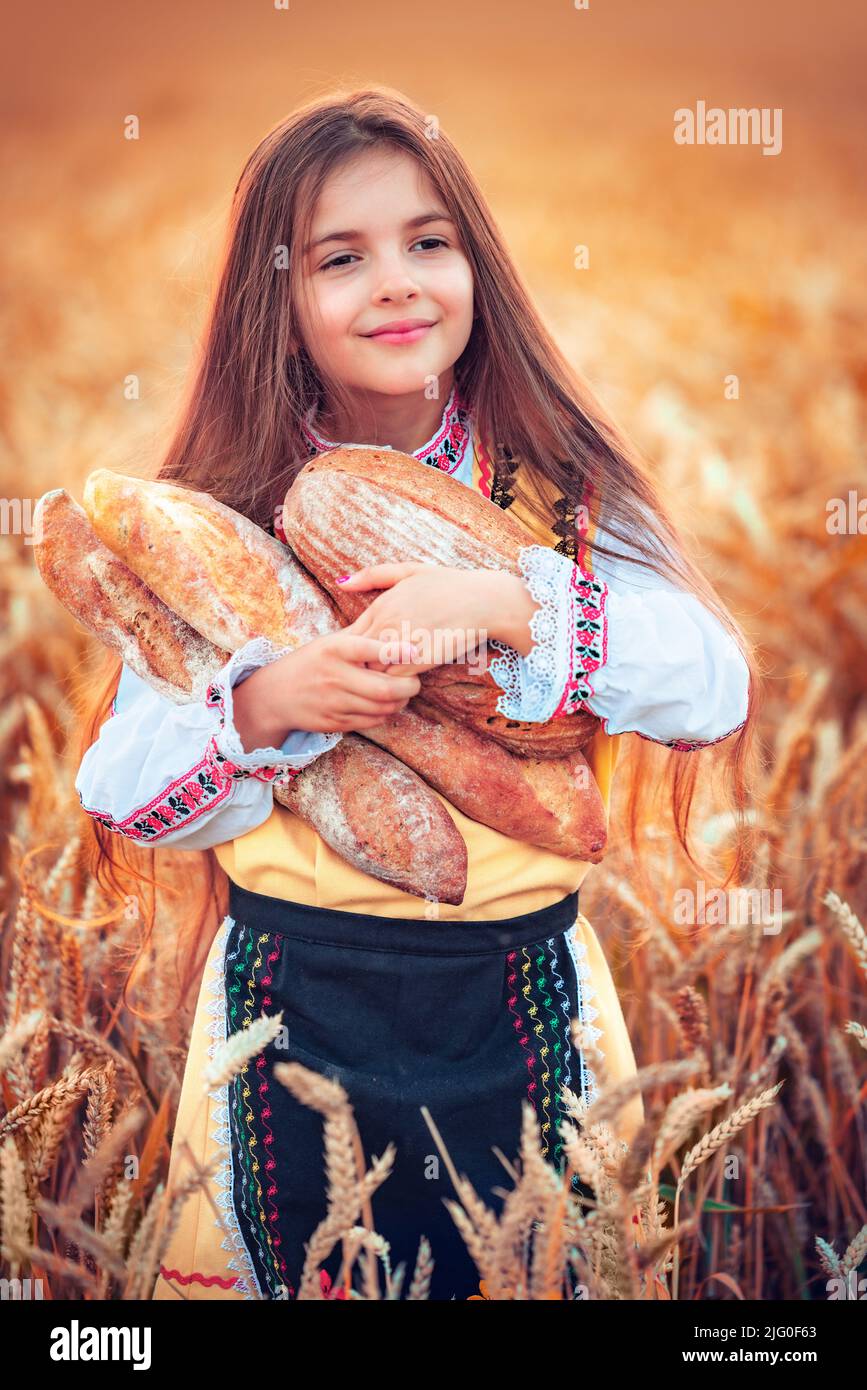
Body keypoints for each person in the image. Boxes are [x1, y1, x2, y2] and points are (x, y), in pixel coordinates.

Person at [73, 87, 758, 1301]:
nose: (396, 283)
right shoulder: (218, 509)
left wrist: (513, 606)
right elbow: (122, 787)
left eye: (428, 243)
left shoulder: (563, 488)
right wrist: (272, 700)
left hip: (526, 998)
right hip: (286, 1011)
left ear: (475, 266)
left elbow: (715, 683)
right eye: (343, 258)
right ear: (274, 304)